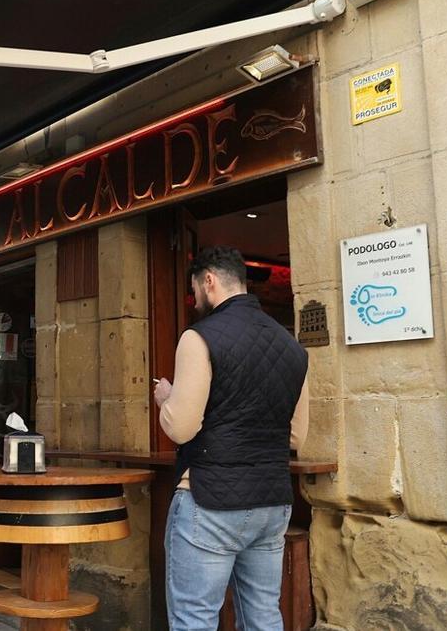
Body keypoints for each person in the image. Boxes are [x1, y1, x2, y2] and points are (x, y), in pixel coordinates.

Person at [153, 247, 309, 631]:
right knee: (263, 616)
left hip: (210, 497)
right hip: (272, 501)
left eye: (195, 290)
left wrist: (165, 399)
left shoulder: (198, 337)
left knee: (195, 619)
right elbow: (297, 434)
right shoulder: (293, 346)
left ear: (209, 280)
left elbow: (181, 428)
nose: (195, 299)